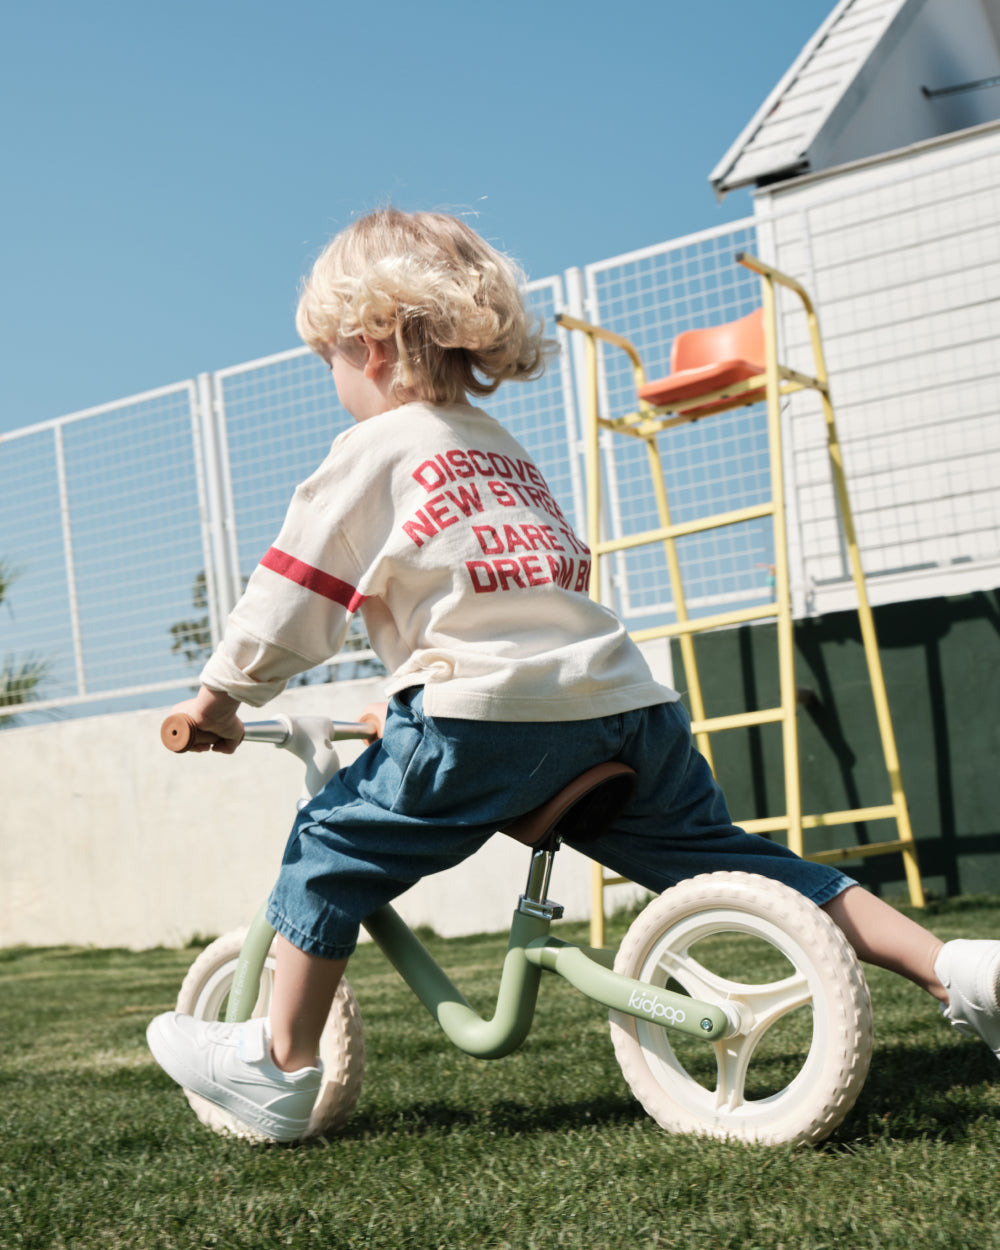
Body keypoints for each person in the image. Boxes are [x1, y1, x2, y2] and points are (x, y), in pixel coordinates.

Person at [147, 208, 1000, 1142]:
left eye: (331, 364)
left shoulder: (379, 446)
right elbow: (518, 593)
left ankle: (278, 1063)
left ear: (375, 346)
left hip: (485, 722)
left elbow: (297, 585)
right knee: (742, 863)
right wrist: (407, 695)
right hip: (623, 704)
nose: (337, 387)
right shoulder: (503, 451)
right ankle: (955, 967)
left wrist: (221, 696)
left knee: (326, 850)